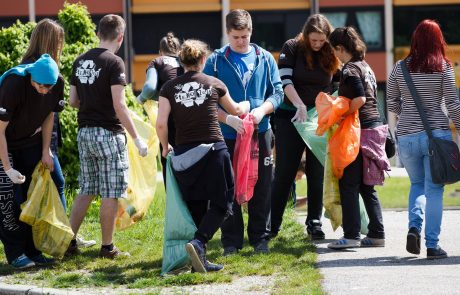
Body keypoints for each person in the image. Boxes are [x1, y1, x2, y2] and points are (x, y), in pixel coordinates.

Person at [157, 39, 249, 272]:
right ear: (203, 60)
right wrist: (247, 105)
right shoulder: (214, 83)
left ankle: (200, 259)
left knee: (196, 205)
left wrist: (165, 146)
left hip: (185, 153)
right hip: (214, 151)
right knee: (224, 201)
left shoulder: (169, 88)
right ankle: (199, 243)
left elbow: (161, 124)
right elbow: (236, 110)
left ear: (182, 61)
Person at [67, 14, 148, 259]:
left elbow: (73, 101)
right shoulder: (115, 63)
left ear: (98, 33)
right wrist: (136, 138)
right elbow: (120, 106)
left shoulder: (79, 61)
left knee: (87, 188)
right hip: (109, 134)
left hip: (84, 132)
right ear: (120, 37)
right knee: (111, 192)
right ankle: (107, 248)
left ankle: (69, 242)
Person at [203, 9, 283, 255]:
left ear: (251, 32)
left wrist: (262, 111)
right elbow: (206, 99)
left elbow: (277, 92)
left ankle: (260, 238)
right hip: (227, 134)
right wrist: (227, 118)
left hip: (261, 131)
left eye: (245, 36)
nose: (240, 41)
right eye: (236, 37)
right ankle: (231, 241)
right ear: (227, 33)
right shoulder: (215, 60)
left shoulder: (265, 58)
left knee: (262, 186)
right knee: (228, 187)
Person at [387, 20, 460, 259]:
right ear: (438, 40)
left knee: (417, 185)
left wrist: (407, 114)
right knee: (435, 189)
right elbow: (452, 103)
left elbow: (391, 102)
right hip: (436, 137)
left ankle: (413, 228)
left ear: (416, 39)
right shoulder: (443, 67)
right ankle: (432, 245)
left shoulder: (400, 67)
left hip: (406, 136)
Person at [21, 18, 96, 249]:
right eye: (59, 42)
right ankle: (64, 239)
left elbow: (49, 112)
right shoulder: (36, 71)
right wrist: (45, 149)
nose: (61, 47)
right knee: (56, 184)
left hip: (43, 140)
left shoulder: (31, 67)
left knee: (42, 188)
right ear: (51, 42)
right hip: (36, 142)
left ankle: (60, 237)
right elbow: (40, 112)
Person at [270, 14, 340, 240]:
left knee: (317, 172)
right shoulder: (291, 47)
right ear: (305, 36)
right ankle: (272, 225)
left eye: (322, 41)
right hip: (291, 116)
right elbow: (285, 81)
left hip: (318, 119)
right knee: (284, 172)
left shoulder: (331, 51)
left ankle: (315, 223)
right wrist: (299, 104)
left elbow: (338, 83)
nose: (318, 45)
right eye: (314, 41)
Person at [0, 53, 62, 268]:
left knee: (29, 196)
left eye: (49, 87)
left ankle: (32, 251)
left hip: (29, 142)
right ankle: (16, 253)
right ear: (31, 78)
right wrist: (7, 168)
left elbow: (49, 115)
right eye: (40, 86)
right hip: (4, 141)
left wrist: (46, 150)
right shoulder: (14, 84)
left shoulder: (57, 84)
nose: (44, 91)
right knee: (8, 199)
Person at [327, 27, 386, 249]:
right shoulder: (366, 66)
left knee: (349, 184)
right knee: (366, 185)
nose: (335, 56)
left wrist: (341, 114)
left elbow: (359, 99)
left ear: (341, 49)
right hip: (373, 128)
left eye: (335, 51)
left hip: (358, 130)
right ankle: (377, 234)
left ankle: (351, 235)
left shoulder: (350, 68)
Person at [137, 32, 183, 186]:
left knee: (168, 159)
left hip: (168, 117)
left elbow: (149, 88)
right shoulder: (185, 61)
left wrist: (141, 99)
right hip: (190, 115)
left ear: (160, 52)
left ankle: (173, 205)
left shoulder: (157, 62)